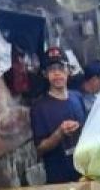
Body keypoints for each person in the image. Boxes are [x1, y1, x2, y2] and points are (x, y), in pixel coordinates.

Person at [30, 47, 86, 183]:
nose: (57, 74)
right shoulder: (39, 107)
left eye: (61, 68)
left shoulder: (77, 98)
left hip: (85, 172)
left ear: (68, 71)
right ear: (45, 74)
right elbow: (40, 149)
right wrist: (59, 133)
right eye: (51, 70)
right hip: (59, 178)